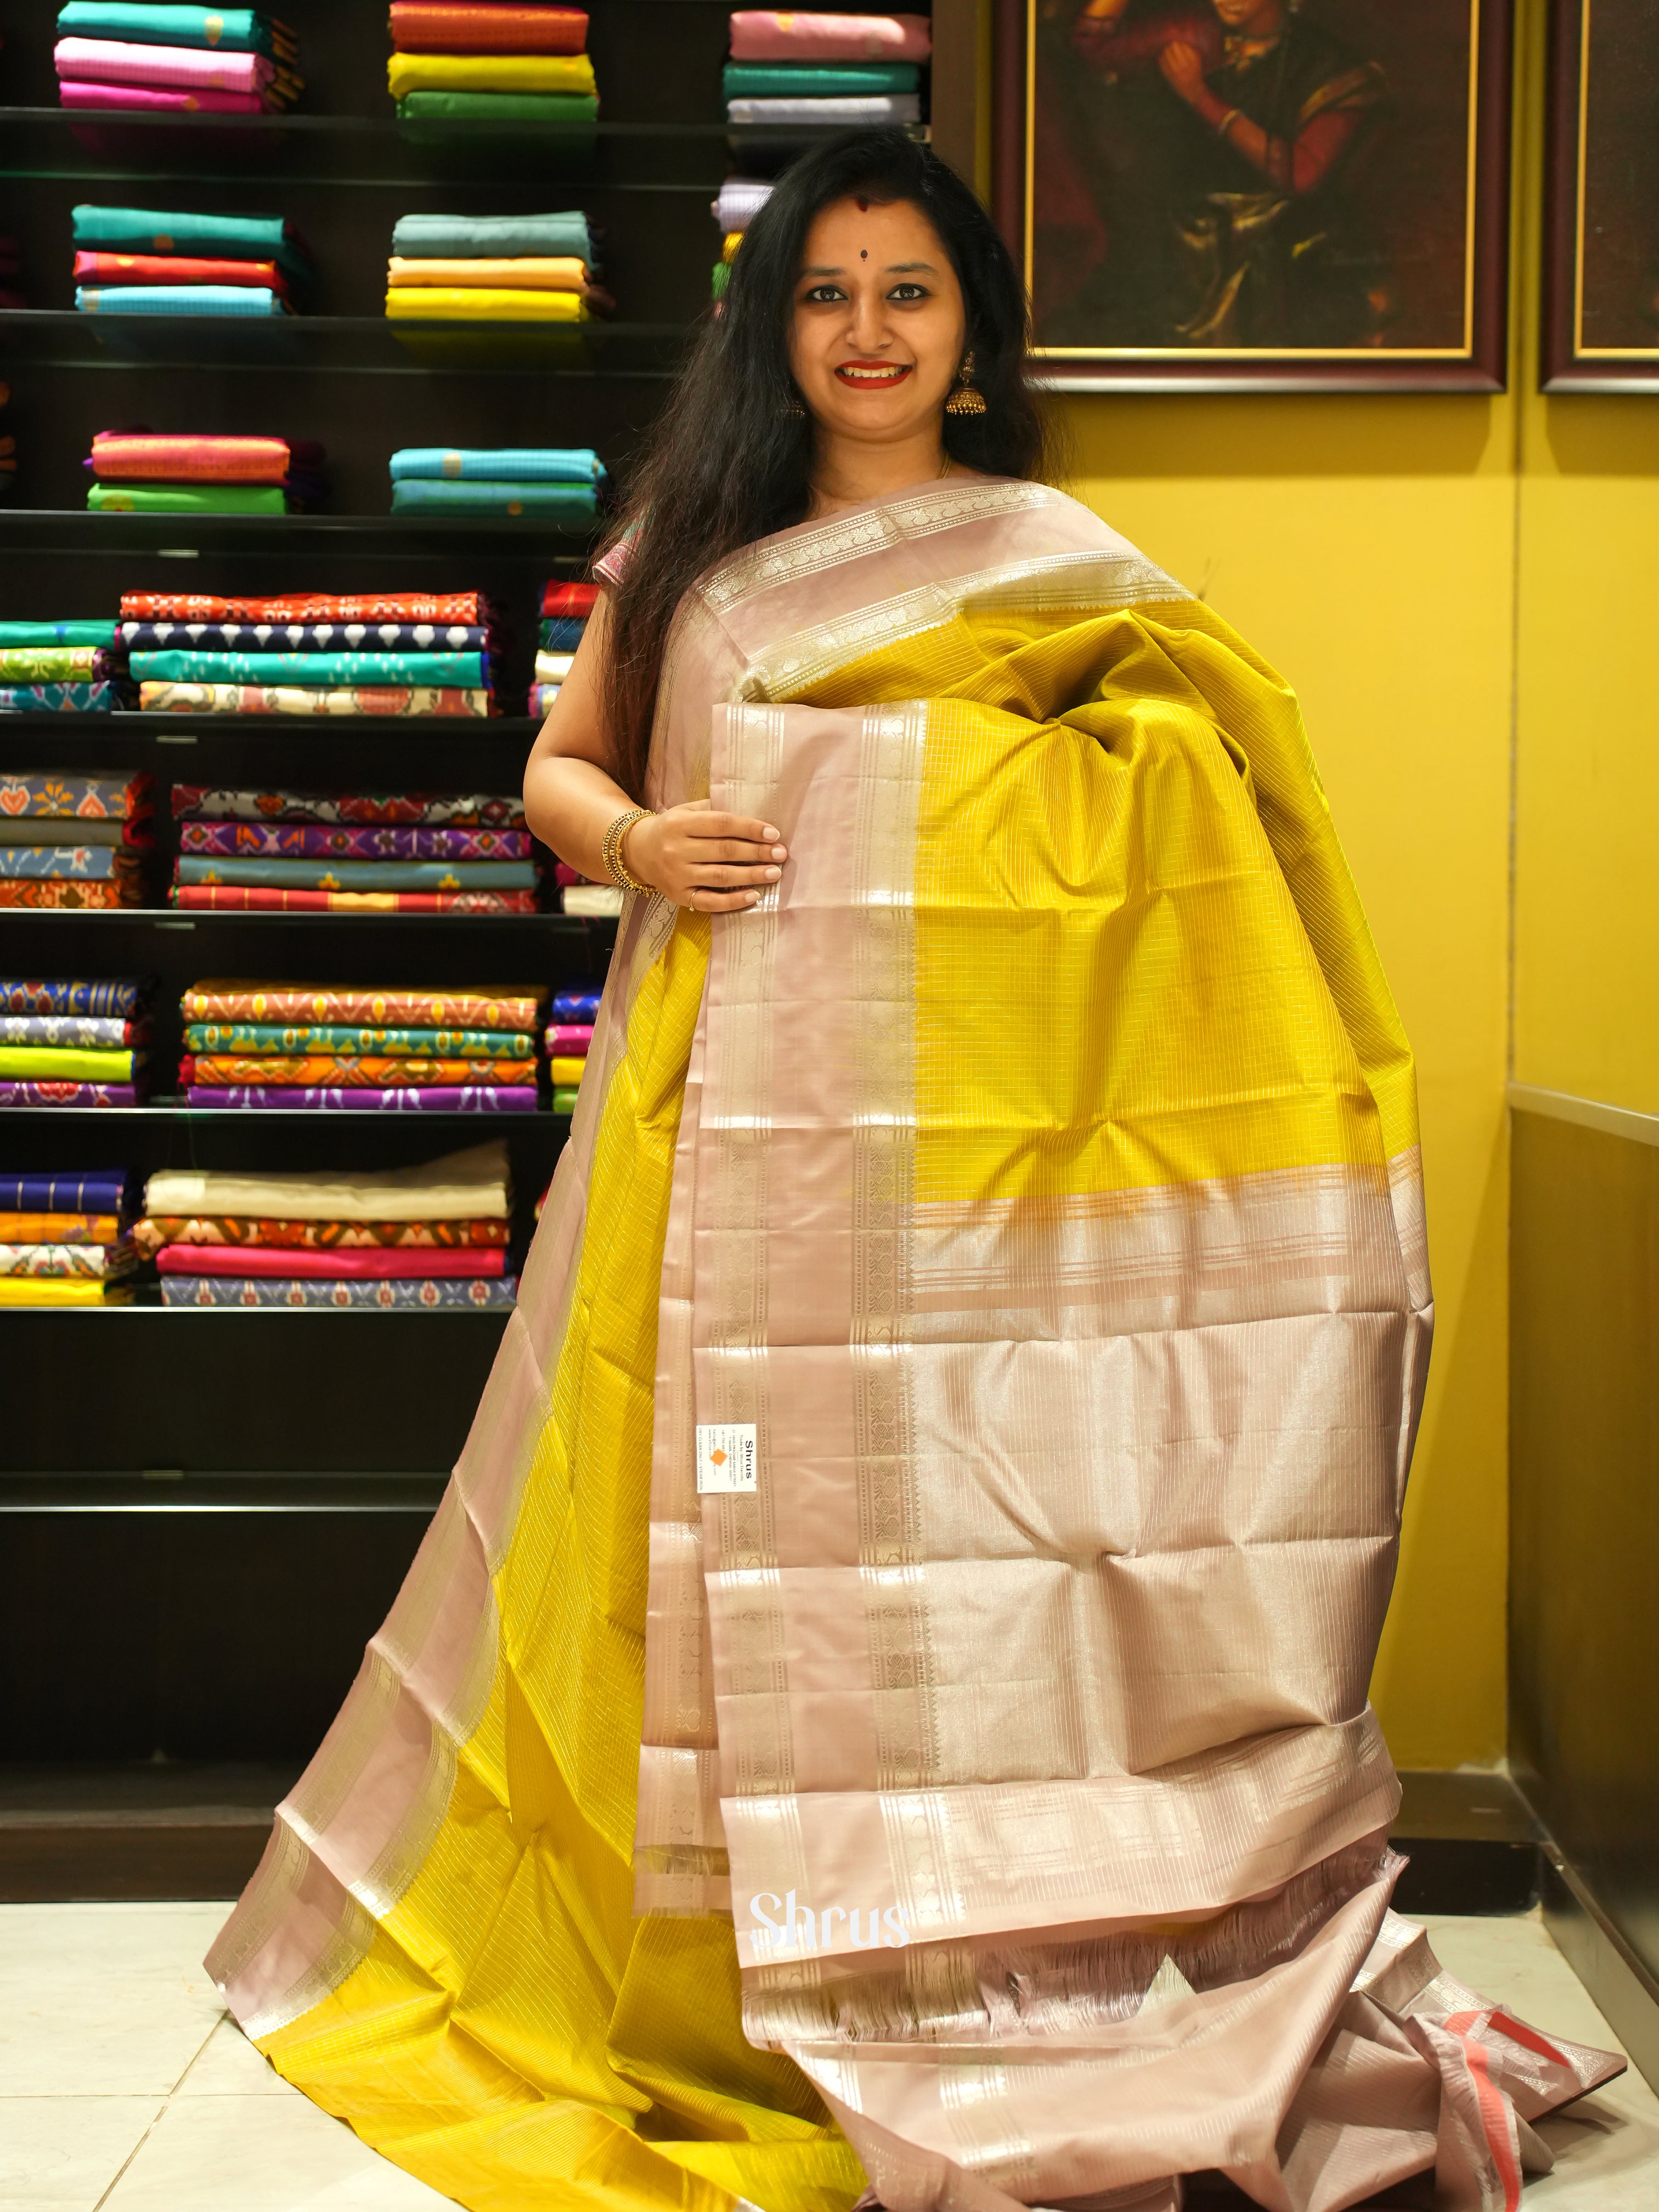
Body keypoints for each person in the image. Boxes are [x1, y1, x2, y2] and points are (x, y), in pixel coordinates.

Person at [206, 128, 1617, 2212]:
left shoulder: (1049, 557)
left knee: (958, 1565)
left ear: (968, 331)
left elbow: (1189, 799)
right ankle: (705, 1979)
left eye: (906, 290)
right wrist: (638, 844)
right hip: (712, 1162)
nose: (865, 330)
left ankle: (971, 1949)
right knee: (687, 1553)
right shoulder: (687, 549)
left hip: (964, 1195)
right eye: (823, 292)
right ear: (771, 331)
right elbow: (555, 767)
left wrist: (944, 783)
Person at [1043, 0, 1390, 346]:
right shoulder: (1195, 31)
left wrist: (1199, 97)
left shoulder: (1330, 66)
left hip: (1275, 245)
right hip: (1179, 238)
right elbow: (1090, 42)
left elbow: (1301, 173)